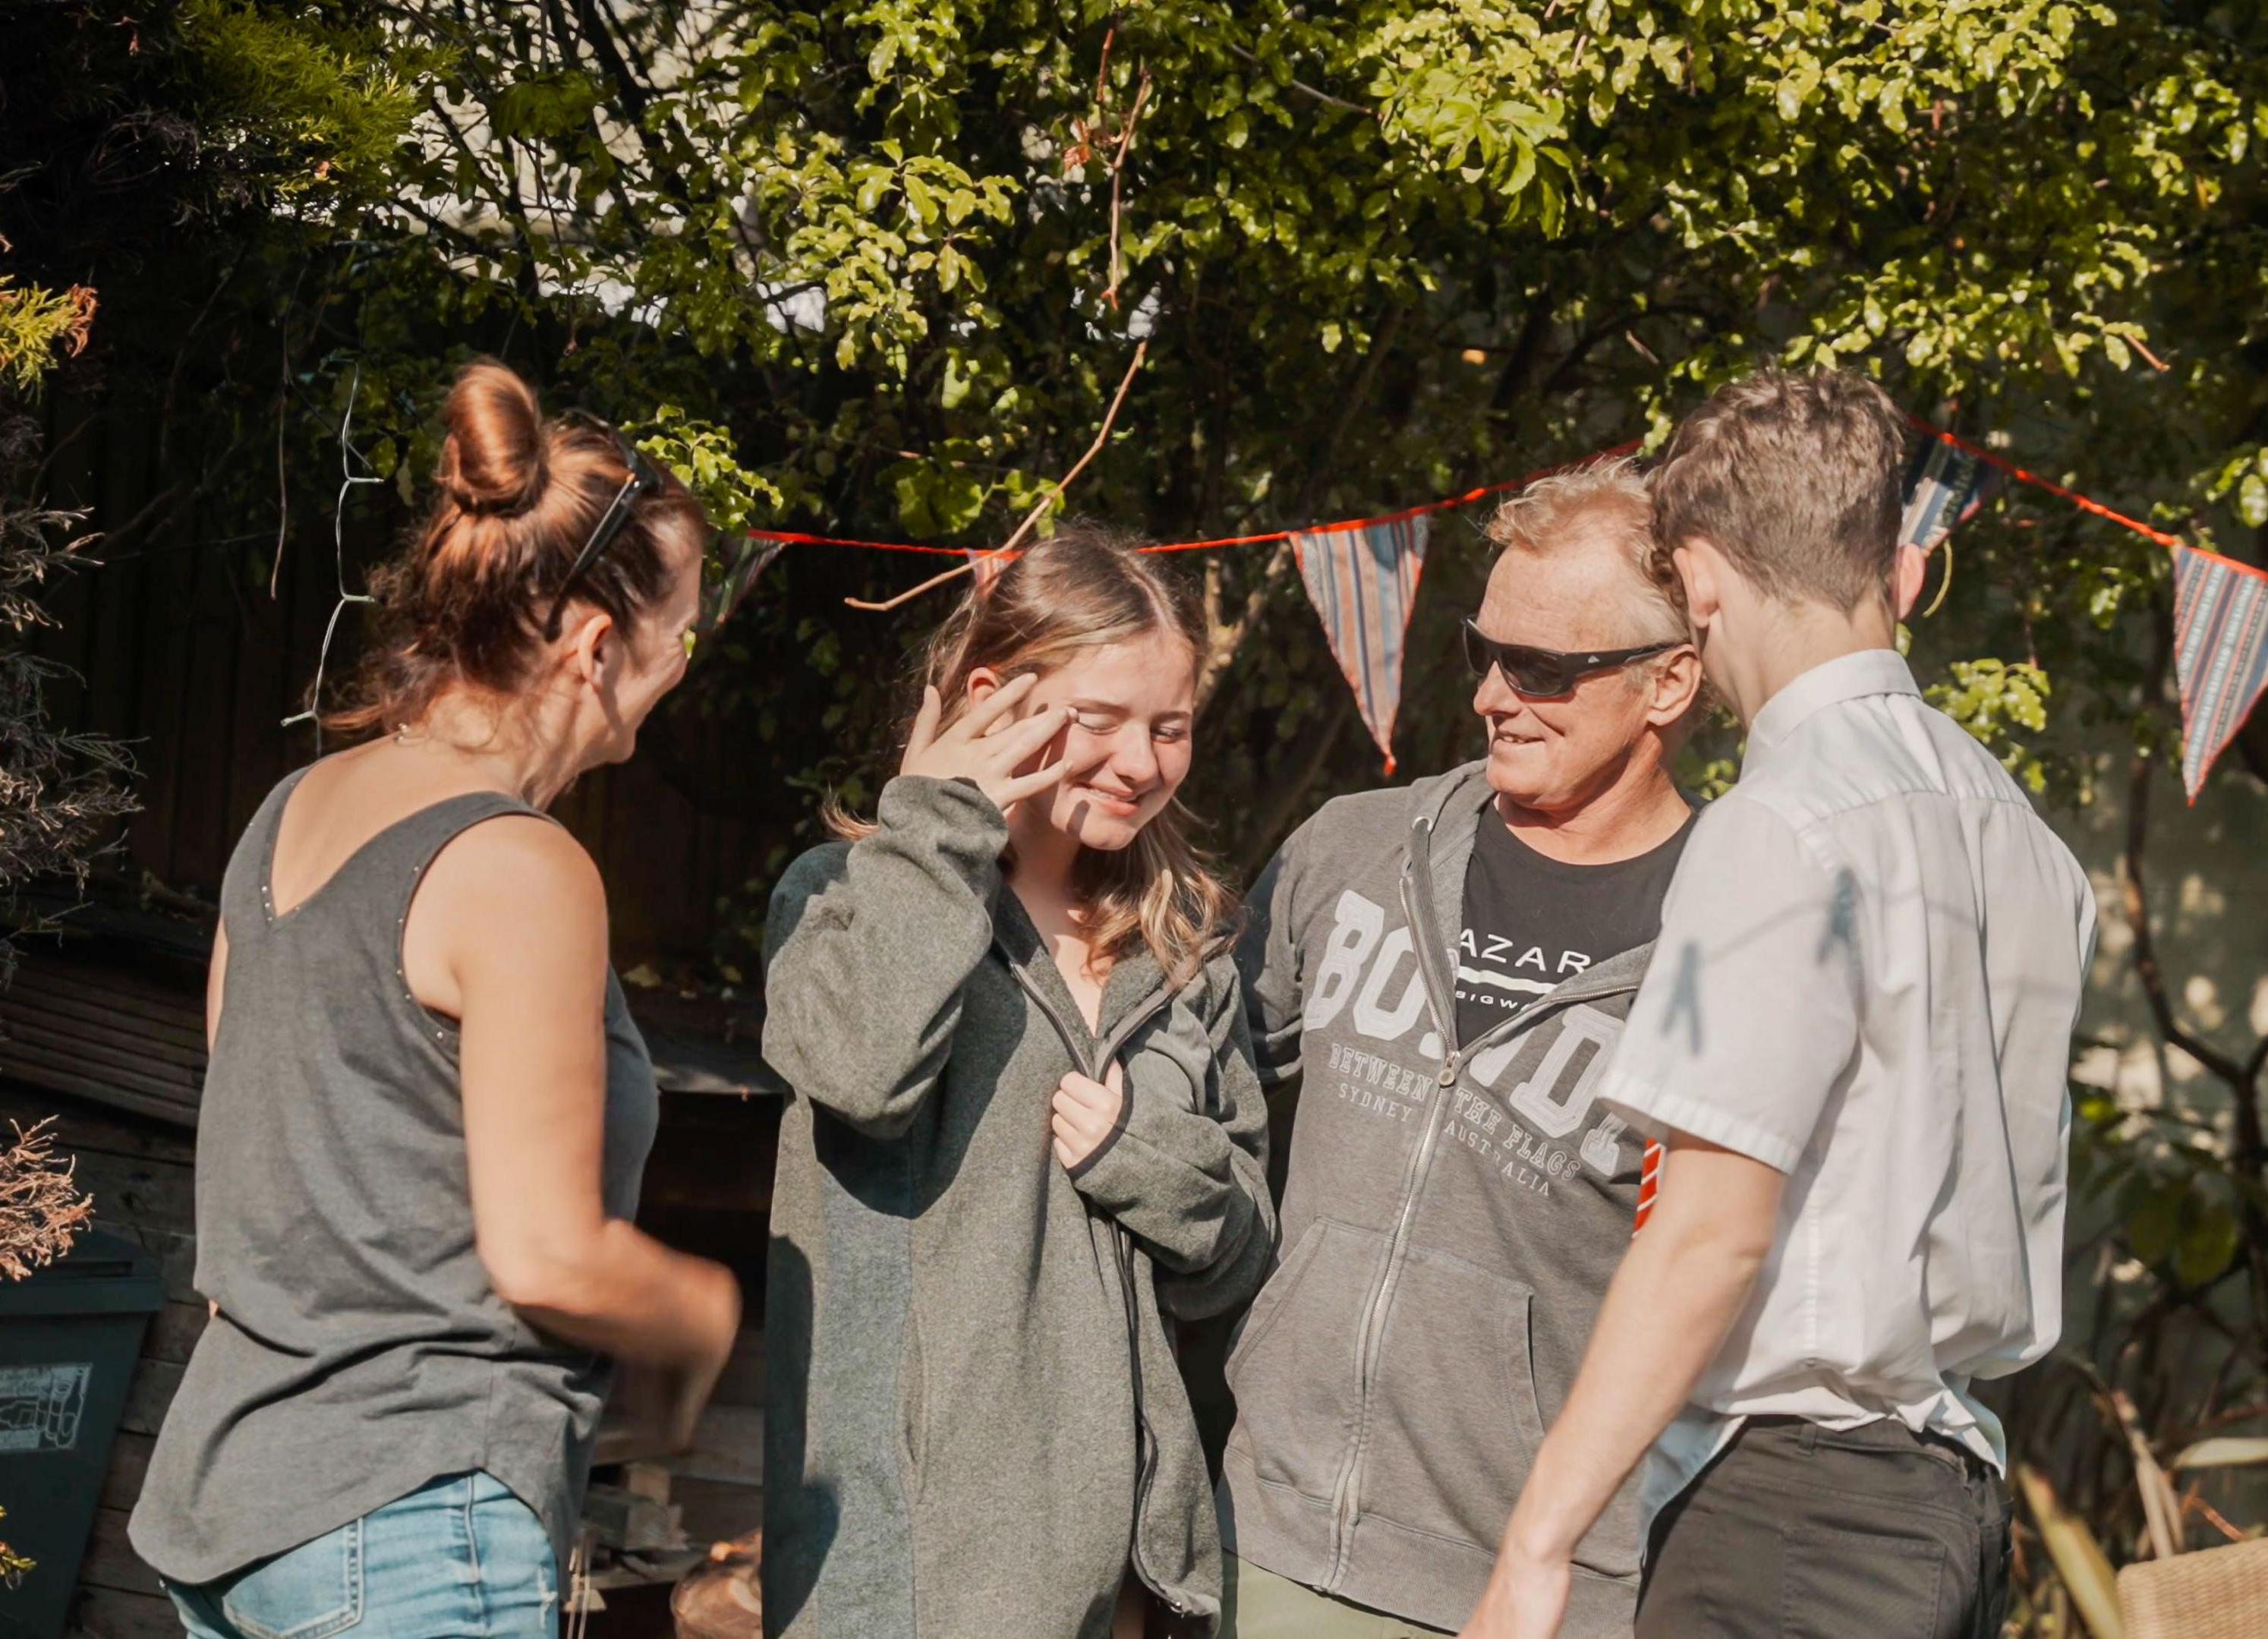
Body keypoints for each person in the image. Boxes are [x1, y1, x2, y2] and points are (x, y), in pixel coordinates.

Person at [1460, 371, 2096, 1639]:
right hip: (1952, 1500)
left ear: (1698, 583)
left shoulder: (1777, 828)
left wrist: (1537, 1547)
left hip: (1794, 1512)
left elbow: (1711, 1232)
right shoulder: (2025, 838)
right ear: (1904, 575)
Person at [132, 359, 745, 1639]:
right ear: (592, 645)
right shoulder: (520, 867)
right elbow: (547, 1254)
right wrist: (701, 1313)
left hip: (235, 1512)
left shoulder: (286, 816)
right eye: (683, 627)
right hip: (405, 1528)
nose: (686, 660)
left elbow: (252, 1197)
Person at [758, 526, 1275, 1639]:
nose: (1141, 763)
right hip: (909, 1585)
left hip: (1133, 1578)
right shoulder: (840, 899)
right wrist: (939, 819)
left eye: (1170, 727)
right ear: (991, 699)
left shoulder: (1189, 954)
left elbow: (1240, 1252)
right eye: (1100, 720)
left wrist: (1141, 1158)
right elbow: (861, 1071)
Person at [1224, 459, 1708, 1639]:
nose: (1494, 695)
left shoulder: (1730, 937)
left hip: (1533, 1593)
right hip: (1269, 1543)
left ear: (1670, 682)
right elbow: (1205, 1097)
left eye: (1544, 668)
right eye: (1482, 652)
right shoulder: (1354, 849)